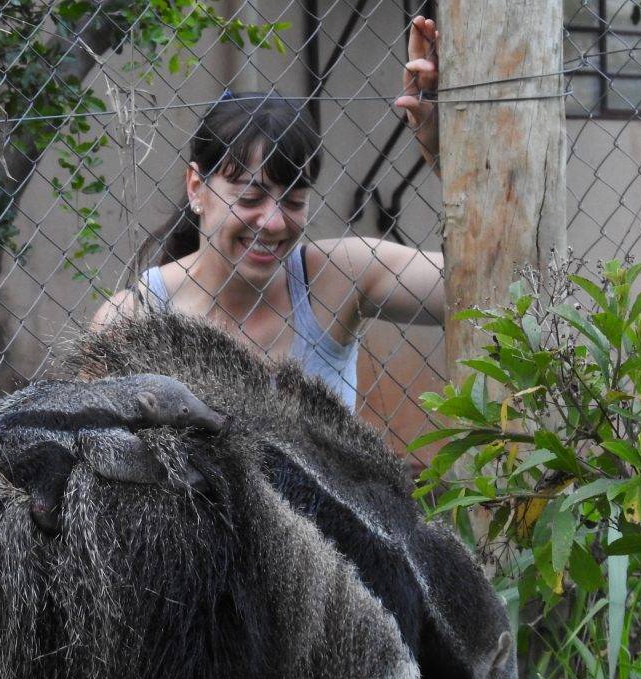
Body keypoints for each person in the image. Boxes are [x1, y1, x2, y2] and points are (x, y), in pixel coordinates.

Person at [89, 16, 444, 412]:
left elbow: (470, 288)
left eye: (294, 202)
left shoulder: (340, 276)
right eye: (249, 198)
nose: (273, 223)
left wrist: (441, 153)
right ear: (196, 187)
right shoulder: (132, 319)